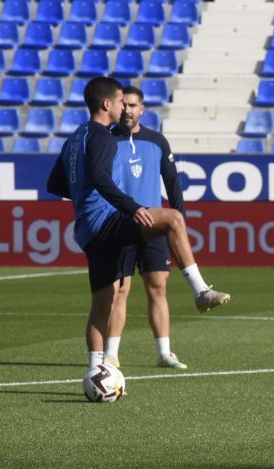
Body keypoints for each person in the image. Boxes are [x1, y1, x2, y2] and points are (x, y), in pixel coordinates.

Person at [46, 77, 231, 371]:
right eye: (121, 101)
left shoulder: (75, 137)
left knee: (101, 305)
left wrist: (83, 197)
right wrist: (131, 207)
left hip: (88, 231)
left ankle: (97, 370)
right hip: (109, 220)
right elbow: (100, 177)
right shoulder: (102, 136)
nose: (124, 107)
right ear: (107, 104)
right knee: (172, 218)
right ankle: (200, 291)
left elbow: (55, 183)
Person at [103, 86, 189, 370]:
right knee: (119, 291)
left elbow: (172, 181)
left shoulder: (156, 141)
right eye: (123, 105)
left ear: (142, 109)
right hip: (120, 225)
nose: (127, 110)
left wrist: (179, 218)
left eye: (133, 105)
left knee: (158, 288)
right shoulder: (105, 141)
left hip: (153, 226)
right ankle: (111, 355)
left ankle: (164, 353)